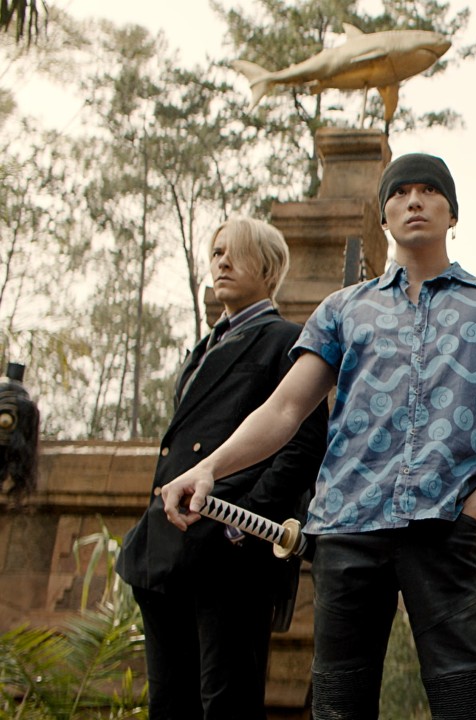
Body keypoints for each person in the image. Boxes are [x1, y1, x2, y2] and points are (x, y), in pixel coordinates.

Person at [159, 153, 476, 720]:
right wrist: (208, 468)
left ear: (452, 213)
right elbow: (285, 408)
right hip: (346, 527)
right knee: (339, 707)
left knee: (470, 703)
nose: (413, 201)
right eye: (399, 193)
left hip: (446, 527)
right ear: (384, 217)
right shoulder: (342, 310)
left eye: (428, 191)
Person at [115, 217, 328, 720]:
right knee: (170, 705)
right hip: (165, 550)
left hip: (231, 555)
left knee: (227, 704)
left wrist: (242, 524)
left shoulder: (287, 341)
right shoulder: (203, 346)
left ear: (269, 268)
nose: (223, 263)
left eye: (237, 253)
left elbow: (303, 445)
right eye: (216, 253)